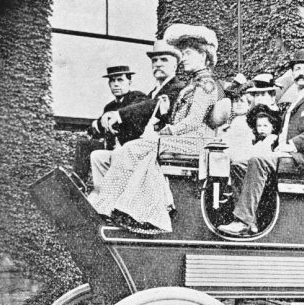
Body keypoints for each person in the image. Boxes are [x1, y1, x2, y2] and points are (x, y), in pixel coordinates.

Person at [88, 23, 222, 234]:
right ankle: (111, 205)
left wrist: (168, 131)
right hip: (183, 139)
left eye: (187, 53)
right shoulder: (192, 85)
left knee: (135, 148)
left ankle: (134, 210)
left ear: (204, 56)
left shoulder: (206, 84)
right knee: (135, 149)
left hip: (197, 142)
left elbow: (194, 122)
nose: (183, 58)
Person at [218, 48, 304, 236]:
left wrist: (293, 145)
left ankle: (241, 221)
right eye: (297, 69)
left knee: (258, 160)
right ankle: (251, 221)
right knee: (239, 164)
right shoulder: (295, 101)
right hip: (287, 155)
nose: (301, 73)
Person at [90, 41, 185, 187]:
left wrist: (119, 115)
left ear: (175, 65)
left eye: (163, 60)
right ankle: (102, 199)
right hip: (144, 145)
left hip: (162, 147)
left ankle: (112, 201)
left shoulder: (177, 88)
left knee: (121, 153)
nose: (158, 64)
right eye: (154, 61)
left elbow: (151, 106)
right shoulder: (153, 92)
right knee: (98, 157)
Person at [73, 66, 147, 182]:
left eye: (120, 80)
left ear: (129, 82)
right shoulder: (109, 106)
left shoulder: (137, 97)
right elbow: (100, 126)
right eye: (112, 80)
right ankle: (77, 185)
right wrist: (93, 127)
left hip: (130, 150)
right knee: (84, 144)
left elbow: (133, 112)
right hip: (111, 148)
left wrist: (115, 116)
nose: (116, 84)